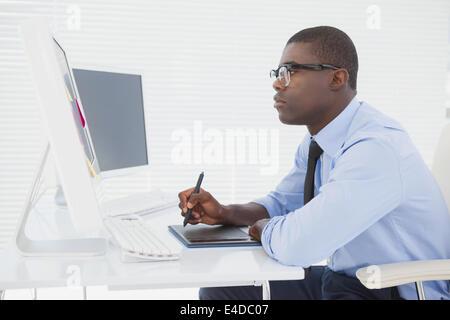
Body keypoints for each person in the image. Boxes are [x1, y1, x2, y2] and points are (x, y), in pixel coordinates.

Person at [178, 26, 450, 300]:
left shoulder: (375, 147)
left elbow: (300, 245)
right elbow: (282, 204)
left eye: (290, 71)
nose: (277, 83)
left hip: (391, 291)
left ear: (336, 78)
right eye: (277, 73)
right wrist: (225, 212)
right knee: (222, 290)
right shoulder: (319, 142)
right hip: (346, 279)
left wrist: (264, 229)